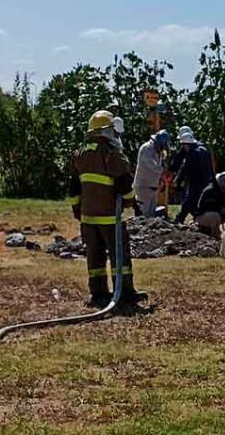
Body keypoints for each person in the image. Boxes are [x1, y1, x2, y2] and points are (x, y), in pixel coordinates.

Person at [69, 110, 148, 308]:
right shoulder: (110, 154)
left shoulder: (79, 154)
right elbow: (124, 183)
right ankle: (125, 292)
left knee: (94, 256)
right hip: (109, 217)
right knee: (119, 255)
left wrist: (78, 209)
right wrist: (132, 203)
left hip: (88, 217)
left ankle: (98, 293)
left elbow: (74, 187)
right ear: (106, 132)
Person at [173, 132, 215, 224]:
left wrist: (177, 181)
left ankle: (179, 220)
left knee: (188, 201)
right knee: (197, 203)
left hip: (196, 182)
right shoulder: (203, 149)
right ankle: (197, 218)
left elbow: (184, 168)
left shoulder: (192, 153)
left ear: (186, 144)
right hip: (207, 181)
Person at [133, 130, 171, 217]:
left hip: (153, 187)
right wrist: (163, 172)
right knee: (143, 214)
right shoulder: (146, 149)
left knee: (151, 214)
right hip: (143, 187)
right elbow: (151, 165)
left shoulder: (158, 151)